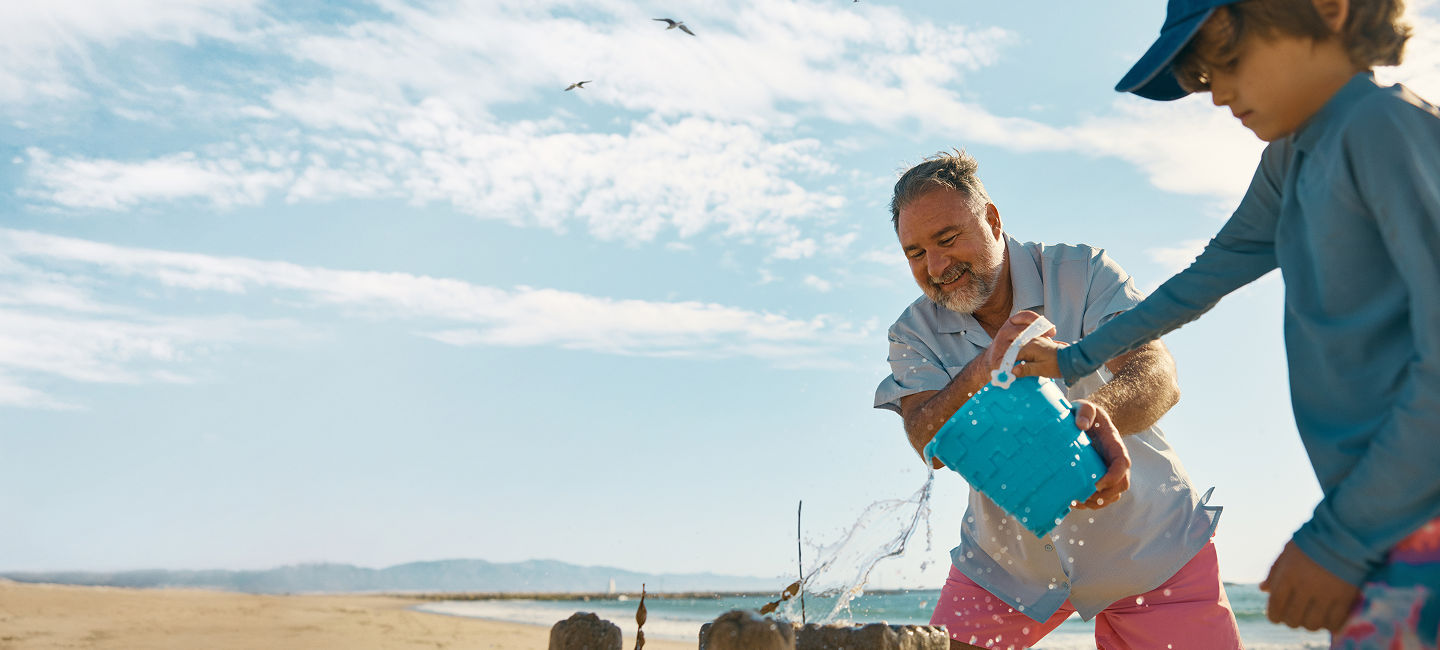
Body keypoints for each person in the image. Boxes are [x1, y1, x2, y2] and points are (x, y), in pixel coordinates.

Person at [1014, 0, 1440, 644]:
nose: (1217, 96)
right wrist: (1076, 358)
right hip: (1378, 510)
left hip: (1410, 511)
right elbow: (1203, 279)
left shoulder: (1382, 128)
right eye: (1204, 78)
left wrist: (1337, 543)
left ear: (1328, 8)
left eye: (1231, 62)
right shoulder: (1292, 159)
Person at [874, 150, 1241, 649]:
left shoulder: (1082, 272)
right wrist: (985, 366)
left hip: (1151, 546)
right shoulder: (912, 332)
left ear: (992, 219)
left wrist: (1094, 421)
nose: (935, 266)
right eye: (915, 253)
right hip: (1005, 565)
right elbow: (924, 437)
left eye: (948, 238)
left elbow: (1157, 375)